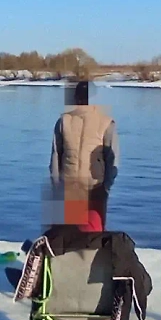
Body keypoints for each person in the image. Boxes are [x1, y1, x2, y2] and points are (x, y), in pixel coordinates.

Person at [49, 79, 119, 232]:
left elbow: (55, 155)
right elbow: (112, 159)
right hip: (95, 187)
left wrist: (56, 184)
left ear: (75, 98)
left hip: (70, 185)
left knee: (68, 234)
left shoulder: (63, 121)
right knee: (94, 232)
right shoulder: (106, 122)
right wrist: (106, 186)